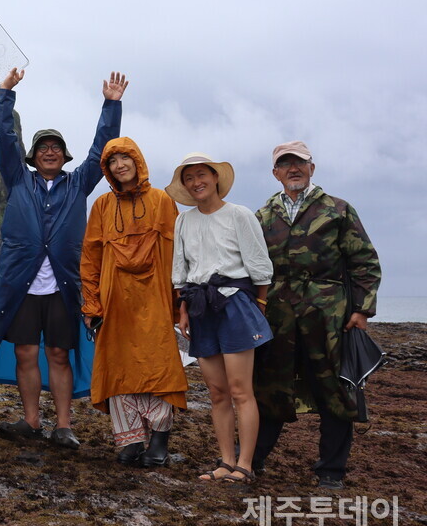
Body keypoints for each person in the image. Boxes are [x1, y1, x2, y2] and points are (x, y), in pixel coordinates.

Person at [0, 69, 126, 449]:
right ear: (33, 156)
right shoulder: (18, 179)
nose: (50, 151)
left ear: (65, 156)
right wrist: (5, 94)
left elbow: (102, 149)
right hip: (22, 284)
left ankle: (63, 425)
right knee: (26, 351)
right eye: (43, 147)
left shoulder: (78, 183)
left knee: (60, 353)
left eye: (56, 147)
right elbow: (3, 138)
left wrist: (111, 104)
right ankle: (31, 420)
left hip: (64, 283)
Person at [251, 141, 381, 489]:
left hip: (330, 317)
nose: (293, 169)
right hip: (277, 317)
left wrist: (362, 310)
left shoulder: (338, 210)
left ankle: (331, 471)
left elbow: (364, 262)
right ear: (275, 173)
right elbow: (250, 268)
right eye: (285, 164)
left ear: (312, 168)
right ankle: (253, 458)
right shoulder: (262, 216)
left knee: (334, 392)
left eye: (300, 163)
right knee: (270, 388)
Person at [167, 153, 273, 484]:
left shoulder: (239, 215)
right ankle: (225, 461)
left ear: (215, 178)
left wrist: (258, 307)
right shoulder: (184, 220)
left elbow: (260, 266)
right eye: (189, 178)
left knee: (242, 390)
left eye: (202, 175)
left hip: (235, 303)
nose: (196, 182)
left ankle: (245, 464)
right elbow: (181, 271)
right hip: (200, 307)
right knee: (216, 391)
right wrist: (183, 308)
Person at [80, 137, 186, 466]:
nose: (120, 165)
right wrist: (91, 306)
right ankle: (129, 442)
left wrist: (180, 303)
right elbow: (89, 259)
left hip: (154, 300)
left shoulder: (162, 201)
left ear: (138, 161)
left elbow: (178, 255)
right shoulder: (101, 206)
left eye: (126, 158)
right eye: (113, 161)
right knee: (118, 369)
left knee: (160, 368)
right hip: (114, 301)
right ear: (107, 169)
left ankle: (159, 442)